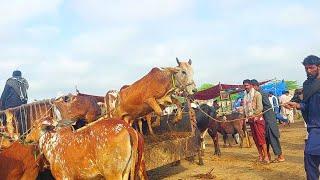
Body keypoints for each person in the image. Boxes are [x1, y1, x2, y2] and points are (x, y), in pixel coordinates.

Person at [286, 55, 320, 180]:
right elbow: (307, 104)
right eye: (306, 68)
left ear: (319, 67)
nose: (308, 71)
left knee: (310, 156)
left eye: (311, 68)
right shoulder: (307, 85)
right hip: (315, 127)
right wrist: (297, 105)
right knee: (310, 157)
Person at [251, 79, 285, 163]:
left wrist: (257, 113)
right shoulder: (256, 94)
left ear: (255, 86)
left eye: (252, 87)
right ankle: (267, 156)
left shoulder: (261, 94)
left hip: (269, 119)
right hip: (264, 120)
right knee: (265, 139)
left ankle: (280, 156)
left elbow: (266, 107)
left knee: (272, 138)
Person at [242, 79, 269, 163]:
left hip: (258, 119)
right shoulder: (245, 96)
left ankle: (266, 156)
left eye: (247, 85)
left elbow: (260, 108)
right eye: (244, 86)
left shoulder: (257, 94)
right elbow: (245, 108)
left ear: (250, 85)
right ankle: (260, 155)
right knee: (255, 138)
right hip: (250, 119)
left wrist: (253, 114)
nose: (246, 87)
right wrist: (244, 114)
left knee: (261, 138)